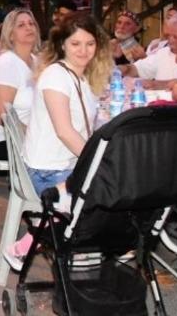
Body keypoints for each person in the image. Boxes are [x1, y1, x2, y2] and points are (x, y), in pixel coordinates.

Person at [6, 13, 110, 271]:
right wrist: (100, 163)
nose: (84, 50)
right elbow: (65, 131)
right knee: (108, 196)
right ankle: (58, 243)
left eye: (90, 43)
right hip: (47, 170)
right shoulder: (56, 75)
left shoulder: (83, 76)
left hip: (65, 165)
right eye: (76, 44)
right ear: (62, 44)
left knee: (113, 189)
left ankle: (39, 239)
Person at [0, 9, 40, 161]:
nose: (28, 27)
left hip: (27, 134)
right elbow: (3, 117)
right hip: (3, 139)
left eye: (31, 23)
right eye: (21, 25)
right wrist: (36, 135)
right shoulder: (7, 63)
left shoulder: (36, 61)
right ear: (11, 34)